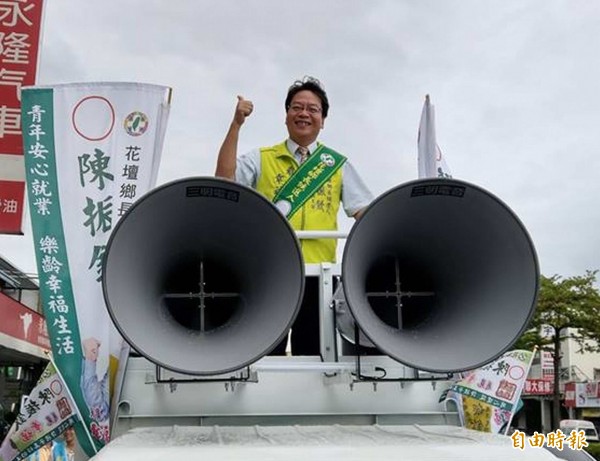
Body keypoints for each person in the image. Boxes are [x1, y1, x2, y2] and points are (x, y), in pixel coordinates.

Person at [215, 76, 373, 356]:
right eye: (296, 107)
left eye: (313, 109)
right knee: (262, 356)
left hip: (319, 277)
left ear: (323, 120)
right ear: (286, 116)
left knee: (315, 355)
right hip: (269, 273)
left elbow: (367, 214)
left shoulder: (335, 164)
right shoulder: (262, 158)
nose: (304, 113)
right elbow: (224, 180)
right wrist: (236, 125)